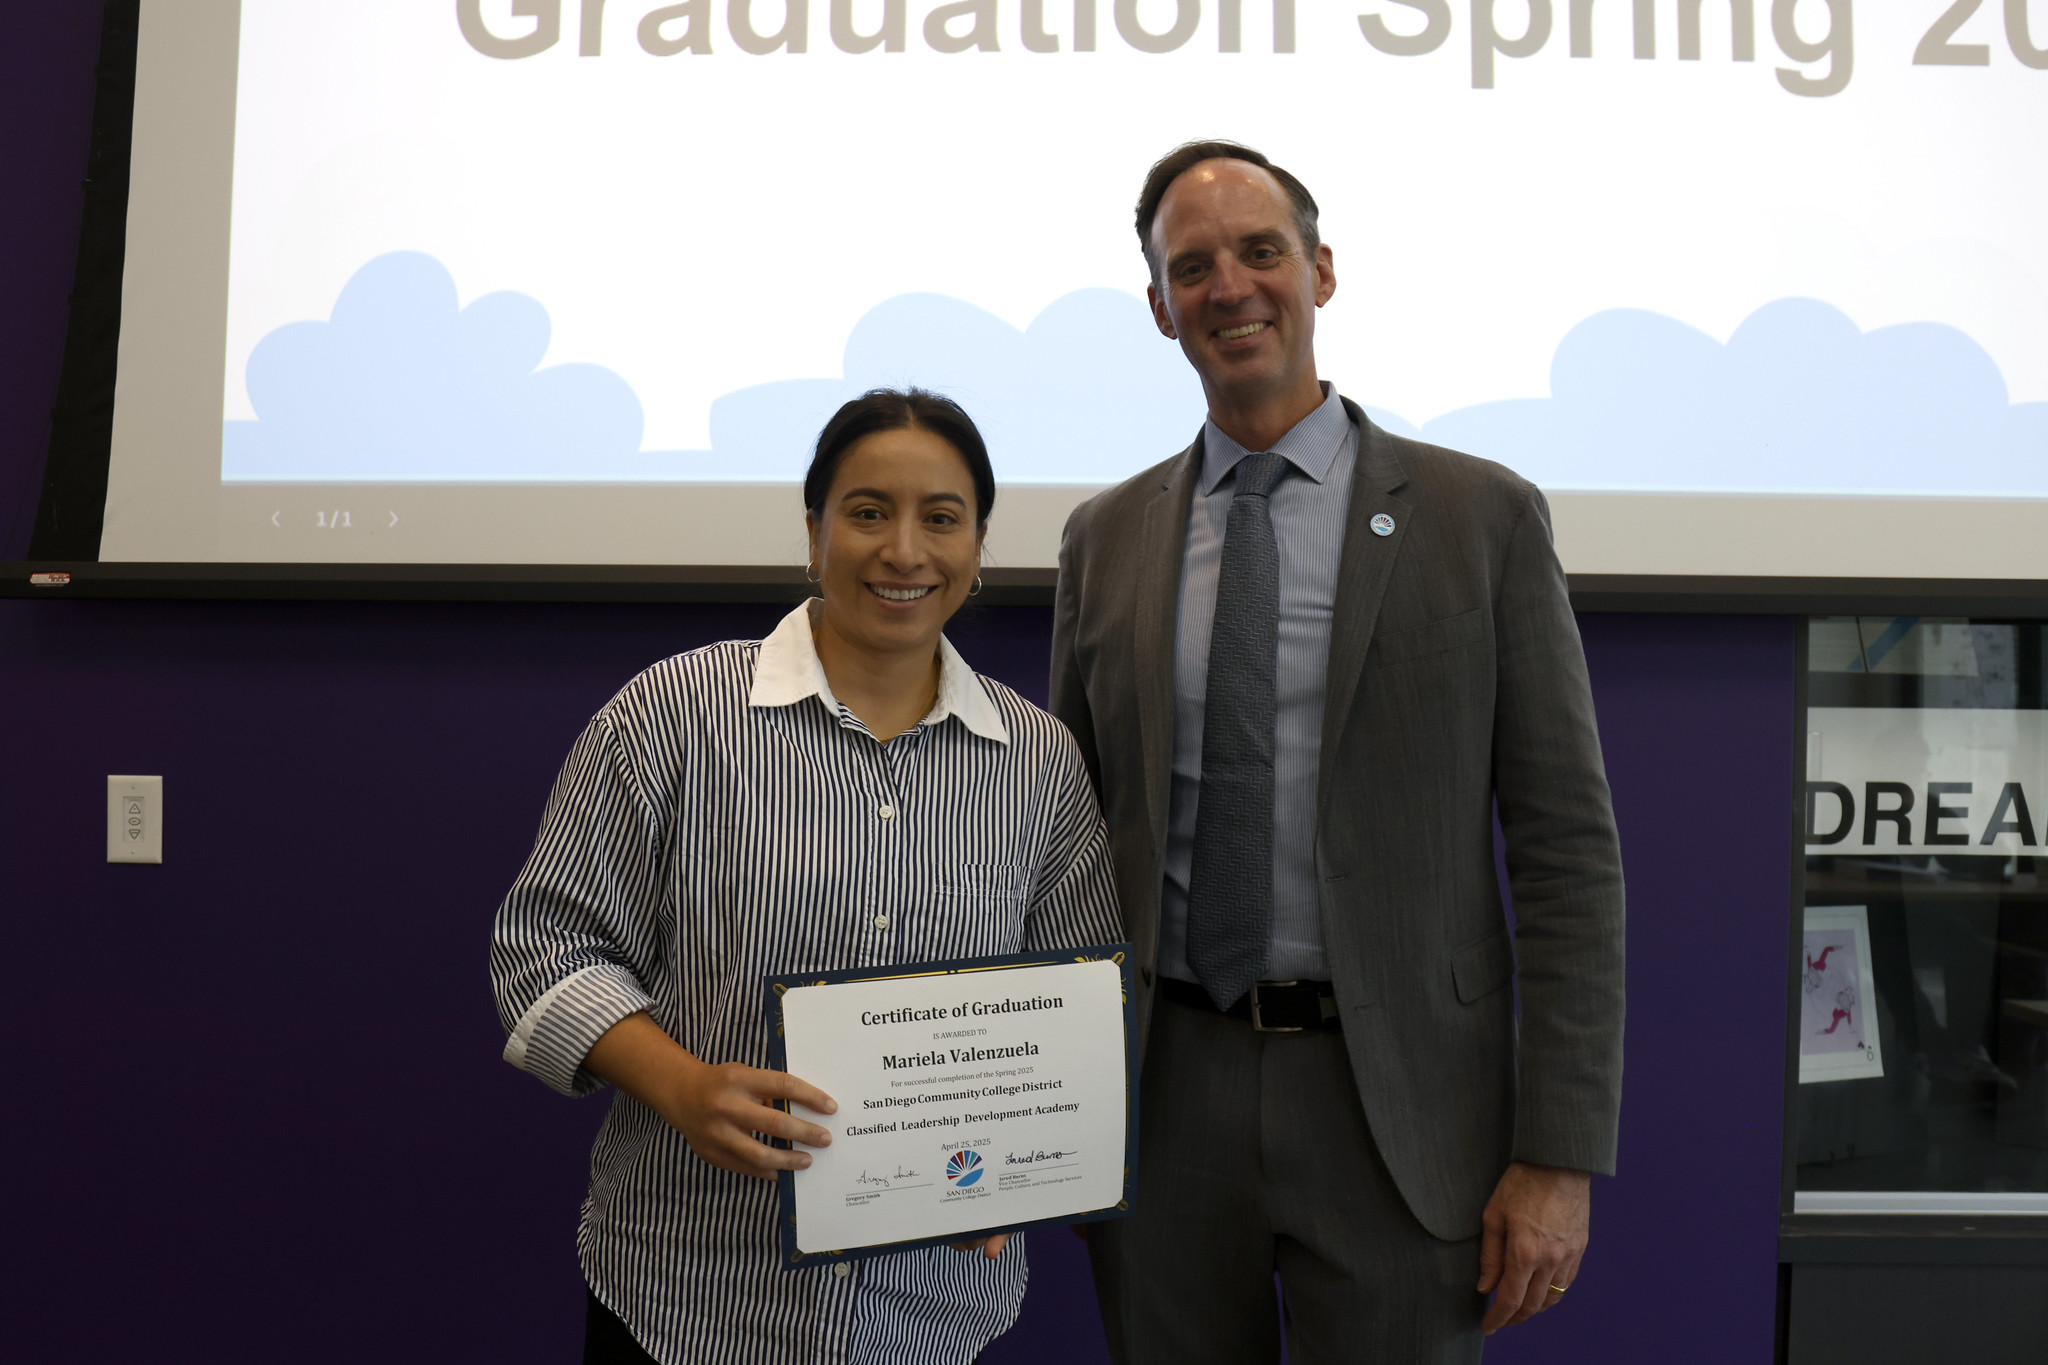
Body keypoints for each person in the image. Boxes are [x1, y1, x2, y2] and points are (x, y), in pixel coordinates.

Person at [1050, 141, 1626, 1362]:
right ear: (1158, 309)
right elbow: (1062, 848)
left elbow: (1567, 851)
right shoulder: (1103, 541)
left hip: (1402, 1111)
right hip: (1163, 1100)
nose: (1230, 287)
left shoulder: (1481, 518)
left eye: (1260, 252)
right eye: (1190, 266)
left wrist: (1558, 1153)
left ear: (1318, 270)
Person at [492, 388, 1122, 1364]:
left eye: (941, 518)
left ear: (979, 543)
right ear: (814, 529)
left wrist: (1017, 1171)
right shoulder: (673, 713)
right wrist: (685, 1088)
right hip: (688, 1293)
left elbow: (1073, 1005)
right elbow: (544, 952)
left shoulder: (1037, 760)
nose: (903, 550)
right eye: (867, 512)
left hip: (929, 1309)